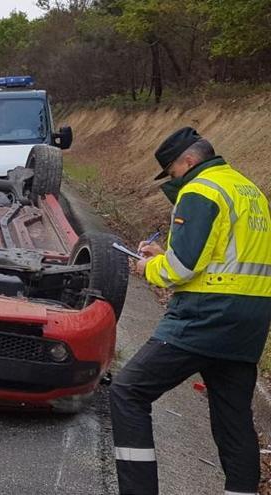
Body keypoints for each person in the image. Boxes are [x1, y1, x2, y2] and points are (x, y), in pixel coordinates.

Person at [109, 127, 271, 495]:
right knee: (233, 419)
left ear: (189, 160)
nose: (173, 179)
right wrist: (165, 255)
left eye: (171, 171)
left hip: (206, 314)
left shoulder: (200, 189)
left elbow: (182, 269)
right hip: (252, 318)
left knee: (128, 391)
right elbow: (223, 257)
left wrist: (148, 267)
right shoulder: (249, 190)